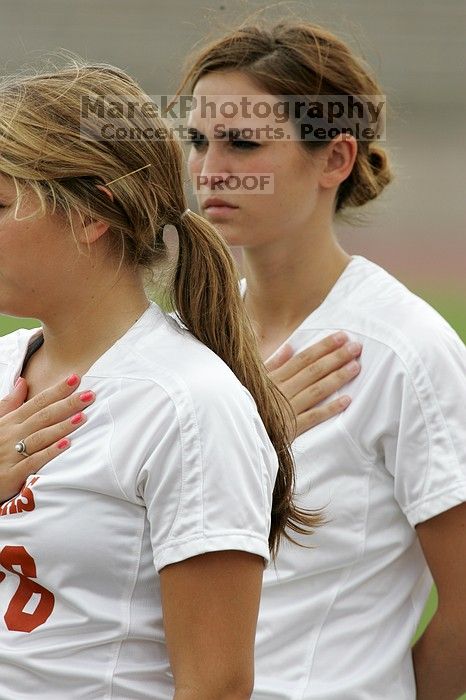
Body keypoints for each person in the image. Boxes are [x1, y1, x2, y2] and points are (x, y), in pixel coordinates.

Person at [0, 60, 322, 700]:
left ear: (93, 215)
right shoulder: (6, 360)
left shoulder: (189, 406)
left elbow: (216, 686)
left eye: (0, 203)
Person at [177, 19, 466, 700]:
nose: (209, 168)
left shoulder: (406, 351)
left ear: (335, 160)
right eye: (197, 139)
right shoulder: (191, 335)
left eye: (243, 142)